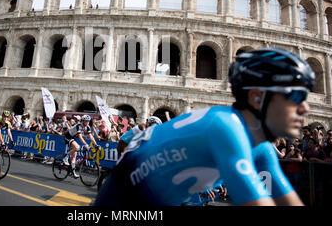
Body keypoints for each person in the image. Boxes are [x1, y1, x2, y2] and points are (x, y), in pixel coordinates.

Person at [95, 48, 315, 206]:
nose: (305, 107)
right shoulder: (227, 128)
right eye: (295, 96)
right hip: (123, 197)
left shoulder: (262, 147)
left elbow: (286, 198)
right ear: (257, 97)